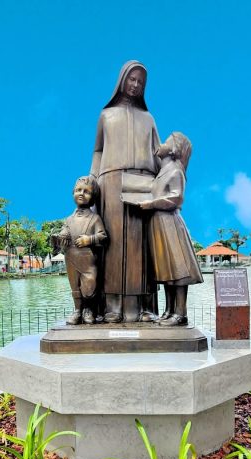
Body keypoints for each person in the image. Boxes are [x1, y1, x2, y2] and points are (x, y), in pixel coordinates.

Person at [90, 60, 160, 323]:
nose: (136, 85)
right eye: (132, 79)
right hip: (111, 182)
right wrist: (93, 179)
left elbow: (158, 152)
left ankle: (140, 307)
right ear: (122, 81)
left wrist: (170, 175)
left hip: (144, 182)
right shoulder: (106, 115)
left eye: (141, 82)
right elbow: (98, 150)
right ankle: (112, 306)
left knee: (140, 247)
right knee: (113, 245)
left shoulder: (148, 118)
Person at [139, 132, 203, 325]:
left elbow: (177, 198)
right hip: (159, 224)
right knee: (167, 269)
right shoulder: (163, 171)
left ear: (174, 149)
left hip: (170, 224)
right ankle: (168, 310)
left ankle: (180, 313)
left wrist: (151, 204)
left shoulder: (176, 171)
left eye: (166, 141)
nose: (161, 143)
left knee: (178, 269)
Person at [54, 176, 107, 325]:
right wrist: (62, 235)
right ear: (73, 193)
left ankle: (88, 310)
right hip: (71, 257)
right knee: (74, 285)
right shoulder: (69, 220)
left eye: (86, 191)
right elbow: (64, 232)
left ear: (93, 197)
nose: (81, 193)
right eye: (78, 190)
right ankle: (78, 310)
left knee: (89, 284)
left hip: (88, 259)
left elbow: (103, 236)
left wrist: (89, 240)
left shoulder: (95, 218)